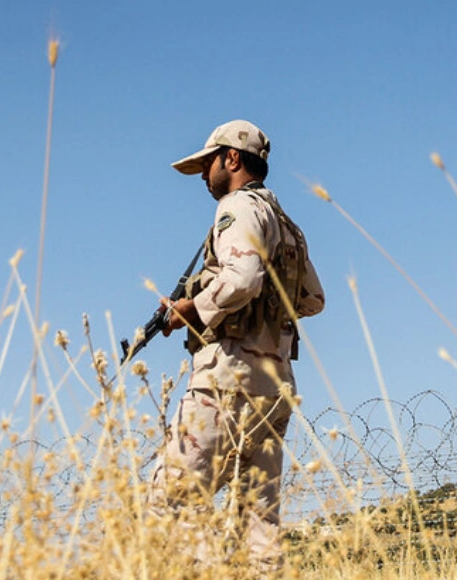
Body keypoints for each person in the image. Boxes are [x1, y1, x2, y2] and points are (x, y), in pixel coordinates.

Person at [148, 119, 325, 576]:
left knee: (173, 498)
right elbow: (312, 300)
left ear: (232, 159)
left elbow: (243, 278)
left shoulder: (237, 207)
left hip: (227, 379)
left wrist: (195, 307)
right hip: (276, 383)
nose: (205, 174)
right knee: (259, 525)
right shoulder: (289, 227)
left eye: (208, 163)